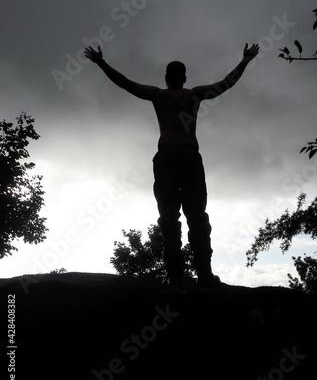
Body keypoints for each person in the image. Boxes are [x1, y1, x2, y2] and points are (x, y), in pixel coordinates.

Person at [84, 42, 259, 287]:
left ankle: (175, 275)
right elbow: (225, 84)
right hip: (188, 154)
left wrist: (101, 63)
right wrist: (245, 61)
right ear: (184, 78)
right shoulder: (194, 94)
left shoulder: (159, 95)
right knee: (196, 214)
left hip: (166, 155)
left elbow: (125, 83)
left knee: (169, 215)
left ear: (166, 78)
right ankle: (204, 274)